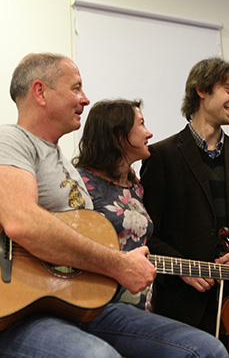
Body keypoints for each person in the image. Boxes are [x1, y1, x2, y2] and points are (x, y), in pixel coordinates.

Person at [0, 52, 228, 358]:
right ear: (40, 92)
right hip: (19, 314)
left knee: (205, 349)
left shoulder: (64, 165)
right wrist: (119, 264)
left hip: (82, 307)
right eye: (75, 88)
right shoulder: (8, 139)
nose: (85, 99)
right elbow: (21, 222)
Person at [140, 57, 229, 335]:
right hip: (181, 306)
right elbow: (147, 231)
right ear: (202, 90)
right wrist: (182, 268)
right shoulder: (160, 156)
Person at [73, 98, 154, 310]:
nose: (149, 133)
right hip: (96, 307)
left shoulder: (136, 187)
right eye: (142, 124)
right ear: (120, 136)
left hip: (139, 308)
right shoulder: (79, 183)